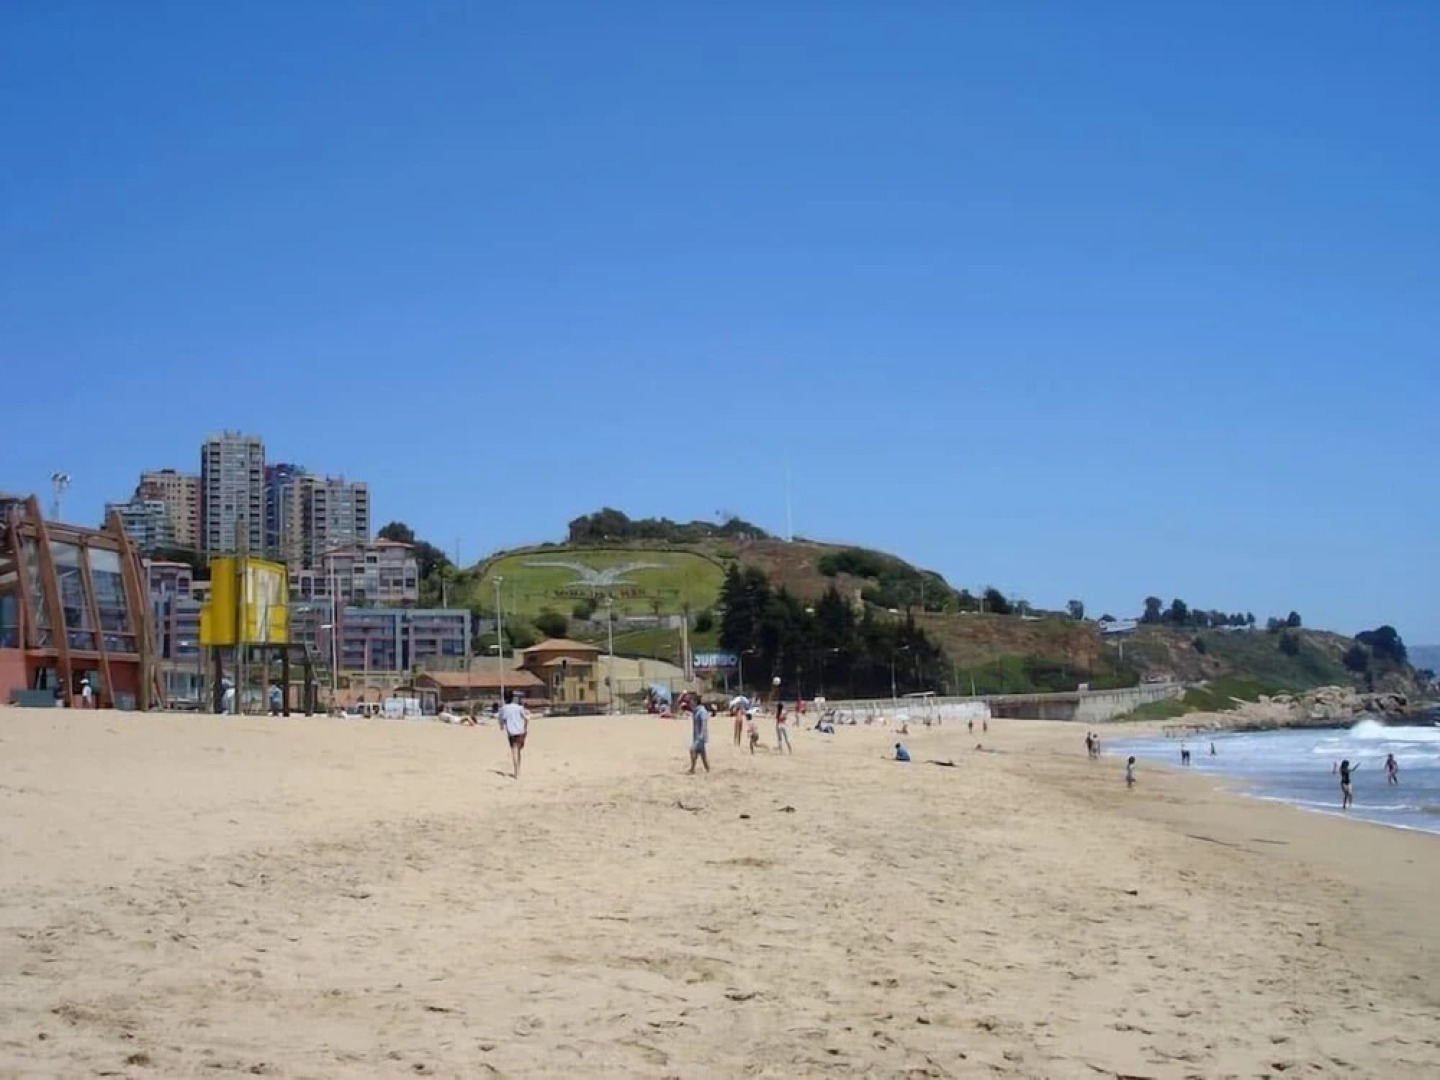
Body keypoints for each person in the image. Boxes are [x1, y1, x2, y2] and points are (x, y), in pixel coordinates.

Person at [497, 690, 529, 779]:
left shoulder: (504, 709)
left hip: (511, 732)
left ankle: (516, 771)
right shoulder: (519, 708)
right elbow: (526, 718)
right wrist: (525, 727)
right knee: (518, 750)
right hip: (521, 731)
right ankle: (518, 769)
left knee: (514, 750)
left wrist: (502, 726)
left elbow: (500, 719)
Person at [685, 697, 711, 774]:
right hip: (696, 736)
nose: (690, 703)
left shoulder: (702, 711)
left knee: (692, 750)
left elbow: (704, 723)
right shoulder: (696, 711)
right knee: (703, 755)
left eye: (691, 701)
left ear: (696, 701)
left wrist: (702, 735)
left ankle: (692, 769)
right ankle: (708, 769)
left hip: (700, 736)